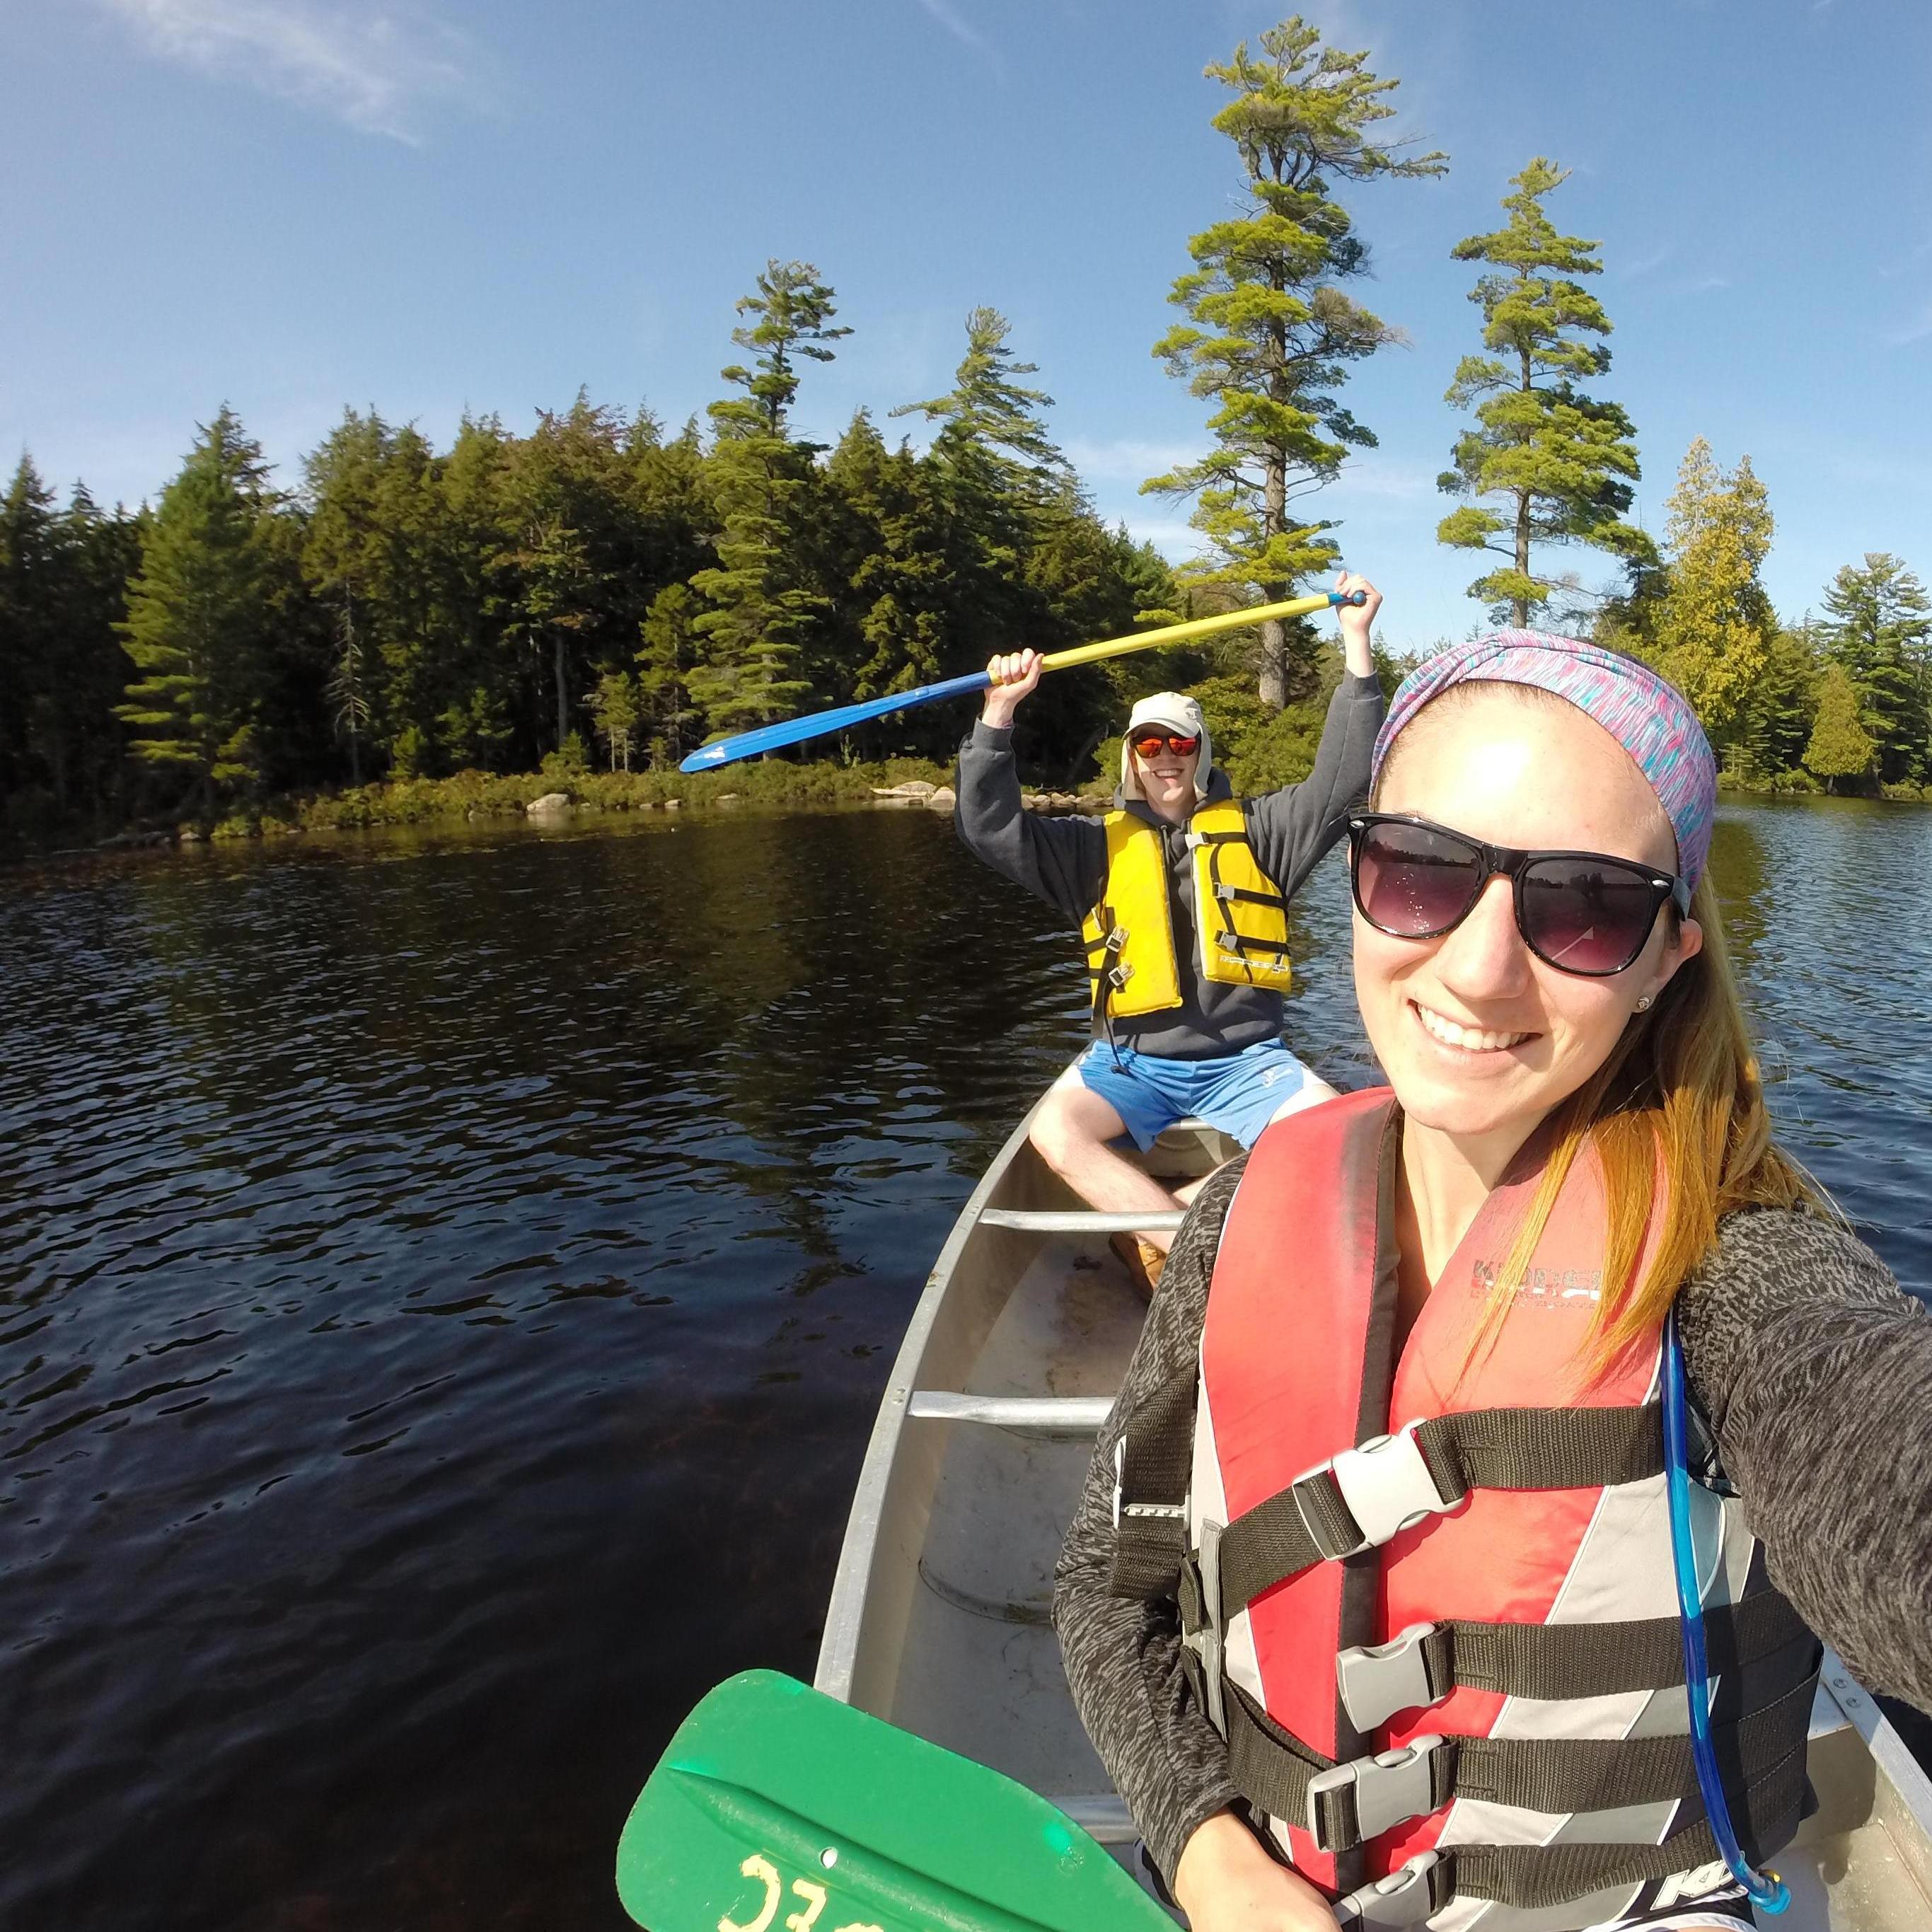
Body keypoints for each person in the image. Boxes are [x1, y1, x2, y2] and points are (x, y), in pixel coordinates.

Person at [1053, 631, 1932, 1932]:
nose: (1476, 966)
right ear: (1355, 873)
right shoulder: (1243, 1209)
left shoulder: (1738, 1273)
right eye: (1419, 872)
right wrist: (1211, 1857)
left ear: (1664, 958)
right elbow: (1104, 1589)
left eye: (1583, 907)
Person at [956, 574, 1385, 1292]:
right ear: (1130, 756)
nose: (1163, 755)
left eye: (1178, 741)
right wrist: (999, 712)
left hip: (1247, 1060)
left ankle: (1168, 1229)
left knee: (1335, 1139)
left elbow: (1342, 782)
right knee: (1053, 1132)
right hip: (1131, 1062)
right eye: (1147, 742)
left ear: (1199, 751)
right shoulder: (1089, 848)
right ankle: (1194, 1247)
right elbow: (988, 828)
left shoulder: (1264, 831)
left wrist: (1357, 645)